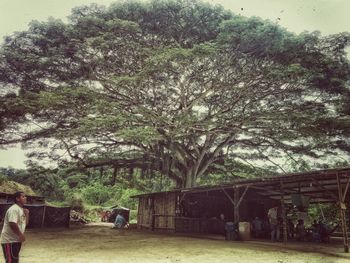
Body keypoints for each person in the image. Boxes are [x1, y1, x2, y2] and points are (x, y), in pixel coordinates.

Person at [1, 191, 29, 263]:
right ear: (17, 198)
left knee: (14, 260)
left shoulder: (21, 209)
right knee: (11, 261)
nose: (25, 197)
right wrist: (20, 234)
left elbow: (25, 224)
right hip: (9, 241)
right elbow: (12, 223)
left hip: (16, 240)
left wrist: (26, 214)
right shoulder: (14, 209)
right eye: (23, 196)